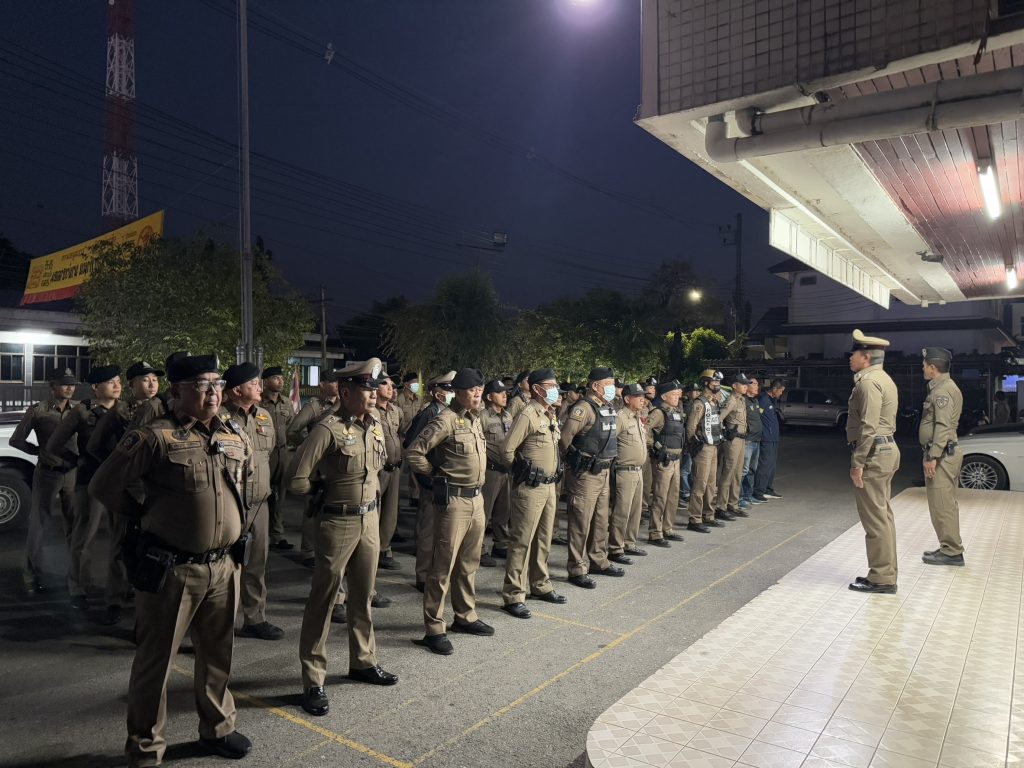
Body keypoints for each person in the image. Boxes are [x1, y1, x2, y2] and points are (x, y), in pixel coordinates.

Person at [90, 354, 254, 767]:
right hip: (173, 569)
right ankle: (146, 746)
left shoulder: (232, 432)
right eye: (202, 384)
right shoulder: (155, 436)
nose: (214, 392)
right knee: (157, 661)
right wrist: (145, 516)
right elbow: (105, 484)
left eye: (218, 384)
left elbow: (245, 481)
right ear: (177, 390)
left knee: (217, 654)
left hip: (223, 566)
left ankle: (218, 728)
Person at [290, 357, 398, 718]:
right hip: (337, 523)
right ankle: (313, 679)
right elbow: (296, 478)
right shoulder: (328, 428)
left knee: (363, 596)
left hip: (369, 520)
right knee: (323, 601)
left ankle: (363, 661)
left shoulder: (376, 424)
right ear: (347, 392)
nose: (373, 394)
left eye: (374, 387)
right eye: (367, 388)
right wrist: (321, 493)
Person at [406, 368, 495, 655]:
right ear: (457, 392)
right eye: (472, 390)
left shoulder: (474, 419)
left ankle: (465, 616)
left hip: (476, 499)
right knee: (442, 566)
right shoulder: (445, 419)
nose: (477, 394)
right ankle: (434, 628)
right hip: (454, 501)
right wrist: (434, 476)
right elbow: (414, 452)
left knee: (469, 563)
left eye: (480, 390)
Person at [86, 360, 164, 625]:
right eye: (145, 379)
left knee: (152, 544)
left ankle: (143, 594)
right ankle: (114, 599)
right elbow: (95, 446)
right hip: (130, 489)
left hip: (156, 488)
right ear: (131, 385)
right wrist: (117, 472)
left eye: (154, 379)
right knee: (121, 543)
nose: (151, 384)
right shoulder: (119, 411)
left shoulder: (164, 408)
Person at [43, 365, 122, 613]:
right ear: (96, 387)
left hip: (120, 482)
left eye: (118, 381)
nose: (117, 385)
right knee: (84, 536)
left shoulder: (126, 409)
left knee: (121, 538)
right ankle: (77, 587)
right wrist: (77, 460)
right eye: (111, 382)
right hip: (90, 480)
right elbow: (54, 444)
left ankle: (118, 589)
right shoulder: (82, 411)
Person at [222, 362, 284, 641]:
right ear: (237, 390)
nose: (260, 387)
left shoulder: (264, 416)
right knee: (225, 567)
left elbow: (268, 455)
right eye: (254, 384)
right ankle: (219, 623)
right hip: (229, 505)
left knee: (257, 564)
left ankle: (255, 618)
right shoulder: (219, 417)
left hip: (259, 504)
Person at [500, 368, 566, 619]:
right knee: (521, 541)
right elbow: (507, 450)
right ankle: (514, 594)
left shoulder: (549, 414)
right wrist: (520, 472)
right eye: (551, 386)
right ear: (537, 389)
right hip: (530, 487)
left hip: (549, 486)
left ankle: (540, 584)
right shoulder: (528, 414)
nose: (555, 390)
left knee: (544, 538)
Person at [13, 367, 79, 594]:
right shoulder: (38, 410)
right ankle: (32, 573)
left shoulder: (79, 409)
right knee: (39, 525)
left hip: (72, 473)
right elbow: (16, 440)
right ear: (52, 386)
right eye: (64, 383)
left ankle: (76, 576)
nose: (69, 387)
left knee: (75, 525)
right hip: (48, 473)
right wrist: (39, 452)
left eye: (72, 384)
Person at [846, 329, 900, 594]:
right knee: (883, 516)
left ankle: (881, 578)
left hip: (874, 454)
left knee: (875, 520)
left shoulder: (868, 382)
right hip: (885, 449)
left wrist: (858, 462)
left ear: (865, 357)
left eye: (853, 353)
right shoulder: (884, 378)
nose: (850, 358)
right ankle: (886, 573)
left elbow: (868, 426)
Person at [560, 367, 623, 589]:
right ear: (595, 386)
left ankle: (598, 560)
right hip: (585, 473)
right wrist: (574, 461)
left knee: (600, 519)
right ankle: (577, 568)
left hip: (603, 471)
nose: (612, 388)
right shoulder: (583, 409)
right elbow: (564, 439)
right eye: (608, 384)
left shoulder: (607, 407)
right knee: (580, 521)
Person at [403, 370, 456, 591]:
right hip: (432, 482)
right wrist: (428, 474)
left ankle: (433, 572)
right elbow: (412, 445)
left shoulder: (449, 413)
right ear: (438, 393)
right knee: (428, 530)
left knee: (440, 531)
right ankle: (423, 576)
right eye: (449, 390)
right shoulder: (430, 413)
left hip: (443, 482)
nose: (452, 394)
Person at [286, 370, 340, 569]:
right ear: (322, 384)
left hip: (336, 464)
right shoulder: (315, 407)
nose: (336, 385)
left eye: (338, 382)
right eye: (332, 382)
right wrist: (309, 445)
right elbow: (292, 430)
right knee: (313, 506)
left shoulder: (343, 405)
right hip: (317, 464)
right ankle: (308, 550)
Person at [919, 347, 965, 566]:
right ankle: (949, 546)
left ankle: (952, 552)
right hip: (944, 453)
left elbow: (943, 426)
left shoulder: (943, 391)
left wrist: (933, 456)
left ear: (932, 367)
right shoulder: (942, 387)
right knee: (943, 503)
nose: (922, 368)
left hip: (942, 456)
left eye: (924, 365)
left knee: (942, 505)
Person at [608, 383, 649, 563]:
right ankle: (615, 548)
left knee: (635, 511)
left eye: (643, 396)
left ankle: (629, 543)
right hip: (624, 471)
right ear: (627, 399)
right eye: (638, 396)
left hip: (638, 470)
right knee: (621, 511)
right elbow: (610, 443)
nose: (643, 400)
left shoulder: (636, 417)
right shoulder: (621, 417)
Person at [647, 379, 687, 546]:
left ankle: (667, 528)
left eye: (678, 394)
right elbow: (645, 430)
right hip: (664, 461)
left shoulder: (676, 412)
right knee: (660, 497)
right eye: (674, 395)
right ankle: (655, 532)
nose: (677, 397)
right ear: (664, 396)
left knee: (673, 496)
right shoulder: (658, 413)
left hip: (676, 460)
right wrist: (656, 447)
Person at [686, 370, 724, 533]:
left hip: (714, 446)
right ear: (706, 383)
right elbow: (691, 427)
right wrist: (693, 446)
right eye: (715, 382)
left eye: (718, 382)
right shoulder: (700, 403)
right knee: (700, 484)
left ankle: (708, 515)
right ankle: (695, 519)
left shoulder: (714, 401)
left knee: (711, 484)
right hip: (703, 448)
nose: (718, 385)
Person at [261, 366, 295, 551]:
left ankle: (277, 534)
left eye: (281, 378)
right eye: (276, 378)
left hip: (283, 453)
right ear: (266, 382)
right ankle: (260, 534)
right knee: (262, 494)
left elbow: (291, 425)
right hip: (265, 454)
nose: (281, 381)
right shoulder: (258, 402)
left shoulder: (286, 402)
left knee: (281, 496)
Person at [374, 373, 405, 572]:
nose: (390, 388)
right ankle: (369, 551)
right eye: (384, 384)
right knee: (373, 513)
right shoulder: (370, 410)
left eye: (392, 385)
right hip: (379, 470)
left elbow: (401, 432)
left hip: (395, 468)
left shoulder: (395, 411)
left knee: (390, 513)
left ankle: (384, 549)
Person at [480, 379, 512, 565]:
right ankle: (479, 549)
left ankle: (501, 544)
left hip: (505, 471)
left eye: (505, 392)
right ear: (490, 397)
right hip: (490, 471)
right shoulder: (483, 417)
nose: (504, 395)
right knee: (484, 512)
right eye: (500, 393)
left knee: (503, 511)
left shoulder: (507, 416)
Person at [713, 373, 751, 521]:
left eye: (746, 384)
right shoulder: (731, 400)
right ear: (734, 386)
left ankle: (733, 504)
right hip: (733, 440)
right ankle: (720, 507)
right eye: (743, 384)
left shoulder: (741, 400)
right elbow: (718, 418)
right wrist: (723, 433)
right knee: (728, 472)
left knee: (737, 473)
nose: (746, 386)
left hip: (741, 439)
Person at [753, 379, 786, 502]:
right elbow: (757, 417)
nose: (781, 394)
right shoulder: (763, 400)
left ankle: (768, 489)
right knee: (764, 465)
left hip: (773, 438)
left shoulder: (772, 400)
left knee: (771, 465)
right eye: (780, 391)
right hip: (766, 438)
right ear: (774, 389)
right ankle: (758, 491)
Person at [738, 377, 763, 511]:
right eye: (755, 384)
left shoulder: (755, 401)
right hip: (748, 440)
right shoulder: (743, 401)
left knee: (752, 469)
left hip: (756, 440)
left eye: (757, 384)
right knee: (743, 470)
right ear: (747, 386)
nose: (757, 386)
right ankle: (739, 497)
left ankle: (748, 495)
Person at [678, 382, 700, 504]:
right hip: (687, 442)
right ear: (689, 393)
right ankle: (684, 492)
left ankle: (687, 491)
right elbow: (686, 426)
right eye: (694, 391)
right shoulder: (686, 405)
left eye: (697, 391)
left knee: (690, 468)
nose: (697, 393)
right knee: (685, 468)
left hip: (694, 442)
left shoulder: (695, 404)